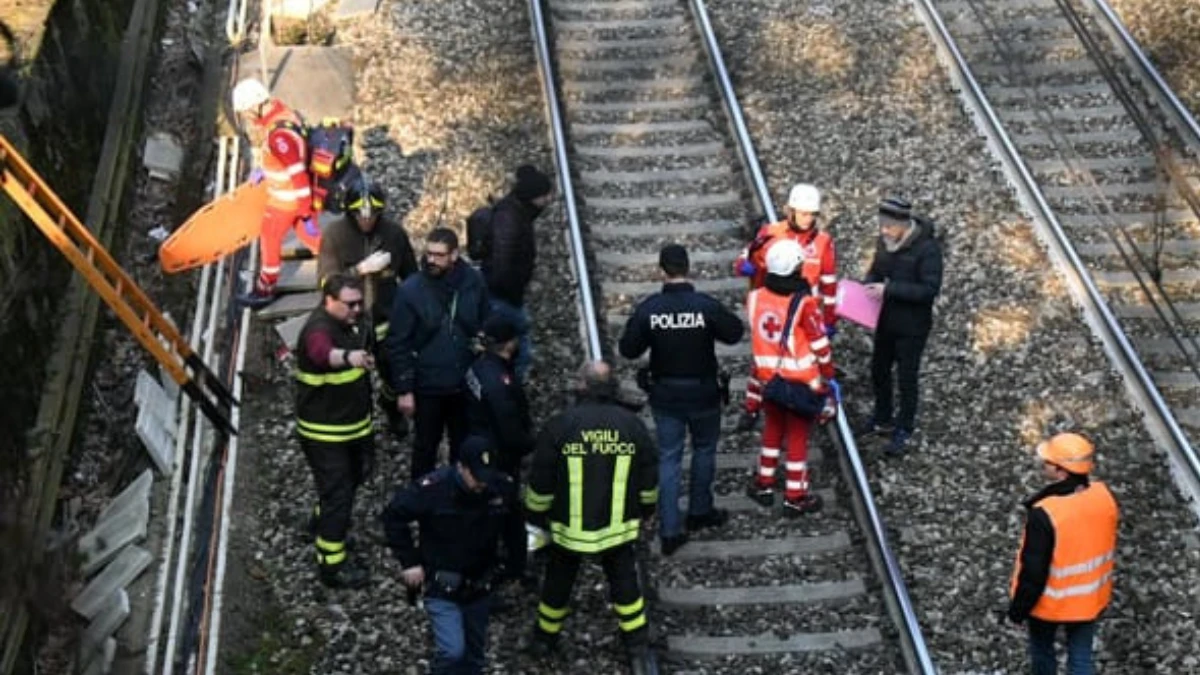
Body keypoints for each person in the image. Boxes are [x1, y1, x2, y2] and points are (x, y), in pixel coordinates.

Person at [524, 361, 658, 661]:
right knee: (625, 584)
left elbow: (540, 481)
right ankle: (636, 642)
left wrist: (535, 518)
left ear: (582, 386)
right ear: (612, 387)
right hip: (617, 528)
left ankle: (544, 640)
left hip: (567, 530)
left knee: (557, 585)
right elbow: (649, 476)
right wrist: (647, 508)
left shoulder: (561, 425)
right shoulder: (631, 425)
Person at [617, 244, 744, 555]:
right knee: (704, 450)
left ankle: (670, 530)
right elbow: (734, 333)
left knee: (669, 458)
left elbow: (628, 349)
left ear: (661, 271)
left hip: (666, 395)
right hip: (703, 394)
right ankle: (700, 511)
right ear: (689, 268)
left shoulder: (650, 309)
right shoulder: (705, 306)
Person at [382, 435, 518, 675]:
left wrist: (513, 568)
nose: (481, 485)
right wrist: (410, 561)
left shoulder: (501, 487)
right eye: (476, 477)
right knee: (452, 651)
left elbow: (514, 528)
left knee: (475, 653)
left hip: (481, 584)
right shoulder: (434, 489)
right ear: (461, 467)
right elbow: (394, 515)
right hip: (442, 584)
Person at [1007, 432, 1118, 675]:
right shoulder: (1103, 497)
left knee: (1043, 653)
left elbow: (1033, 571)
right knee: (1081, 659)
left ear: (1061, 472)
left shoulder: (1046, 513)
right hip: (1088, 600)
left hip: (1048, 605)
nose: (1043, 466)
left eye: (1048, 462)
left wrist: (1018, 611)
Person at [386, 227, 490, 482]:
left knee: (463, 445)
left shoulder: (474, 282)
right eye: (428, 253)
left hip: (463, 383)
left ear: (454, 255)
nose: (430, 260)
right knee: (425, 448)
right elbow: (398, 342)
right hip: (428, 385)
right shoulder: (411, 290)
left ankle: (457, 498)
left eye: (438, 255)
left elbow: (486, 319)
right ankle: (422, 499)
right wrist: (404, 389)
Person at [317, 181, 419, 440]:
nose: (367, 221)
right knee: (349, 378)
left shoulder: (394, 235)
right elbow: (326, 281)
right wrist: (359, 271)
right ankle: (356, 422)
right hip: (349, 323)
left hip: (386, 319)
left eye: (372, 216)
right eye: (361, 216)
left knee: (395, 375)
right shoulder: (335, 235)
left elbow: (411, 277)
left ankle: (391, 412)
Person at [734, 184, 838, 432]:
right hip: (772, 307)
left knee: (804, 366)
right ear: (790, 211)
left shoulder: (823, 242)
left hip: (803, 312)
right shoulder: (770, 233)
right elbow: (742, 259)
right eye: (803, 213)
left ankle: (807, 406)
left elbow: (828, 283)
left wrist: (830, 319)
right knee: (761, 362)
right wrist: (746, 267)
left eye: (812, 214)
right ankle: (752, 405)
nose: (808, 219)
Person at [294, 273, 374, 588]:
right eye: (350, 304)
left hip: (350, 428)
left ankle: (322, 520)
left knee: (348, 483)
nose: (357, 309)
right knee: (339, 494)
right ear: (329, 301)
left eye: (359, 303)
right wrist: (348, 357)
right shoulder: (319, 330)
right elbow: (321, 353)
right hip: (326, 433)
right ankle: (331, 563)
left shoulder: (348, 323)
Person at [744, 240, 834, 516]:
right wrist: (828, 376)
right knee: (796, 438)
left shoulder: (756, 297)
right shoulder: (803, 303)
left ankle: (764, 483)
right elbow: (819, 345)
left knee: (772, 429)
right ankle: (795, 496)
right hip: (800, 382)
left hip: (768, 380)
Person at [858, 197, 944, 456]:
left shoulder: (927, 249)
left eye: (888, 226)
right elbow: (876, 270)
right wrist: (867, 285)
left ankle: (904, 427)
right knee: (879, 370)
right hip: (885, 320)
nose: (884, 231)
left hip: (912, 326)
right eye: (881, 225)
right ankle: (882, 417)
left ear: (903, 224)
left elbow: (929, 290)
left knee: (907, 378)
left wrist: (889, 289)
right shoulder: (884, 243)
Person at [230, 78, 322, 307]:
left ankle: (265, 288)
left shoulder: (278, 136)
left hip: (286, 201)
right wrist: (265, 169)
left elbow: (297, 173)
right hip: (296, 199)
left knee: (269, 239)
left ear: (254, 106)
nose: (246, 118)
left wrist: (304, 211)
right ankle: (343, 269)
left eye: (244, 113)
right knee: (312, 239)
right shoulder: (284, 114)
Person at [464, 314, 536, 582]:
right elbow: (509, 427)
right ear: (510, 343)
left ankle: (510, 561)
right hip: (497, 456)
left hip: (480, 444)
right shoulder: (498, 381)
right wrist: (529, 445)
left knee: (500, 511)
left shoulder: (479, 367)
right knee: (495, 512)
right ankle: (492, 571)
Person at [470, 165, 554, 383]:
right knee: (519, 335)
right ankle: (512, 381)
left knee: (510, 336)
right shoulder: (510, 219)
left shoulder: (517, 211)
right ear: (533, 197)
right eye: (545, 195)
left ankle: (507, 379)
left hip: (502, 290)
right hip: (503, 293)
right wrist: (511, 294)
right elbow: (502, 263)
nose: (548, 199)